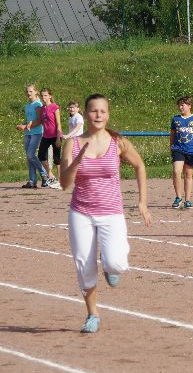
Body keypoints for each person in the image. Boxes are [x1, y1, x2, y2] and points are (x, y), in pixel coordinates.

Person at [60, 94, 153, 333]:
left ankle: (111, 266)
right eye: (94, 111)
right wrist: (76, 162)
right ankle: (92, 314)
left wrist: (142, 202)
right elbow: (64, 184)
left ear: (108, 115)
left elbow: (140, 165)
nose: (98, 115)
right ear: (86, 114)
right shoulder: (73, 143)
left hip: (111, 212)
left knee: (116, 263)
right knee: (84, 267)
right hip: (81, 212)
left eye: (102, 111)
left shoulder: (117, 142)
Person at [169, 95, 193, 209]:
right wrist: (171, 146)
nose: (180, 107)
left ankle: (188, 200)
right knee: (176, 171)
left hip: (191, 150)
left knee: (188, 174)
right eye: (179, 105)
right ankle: (178, 197)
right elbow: (172, 134)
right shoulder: (175, 119)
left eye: (183, 105)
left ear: (189, 106)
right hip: (178, 149)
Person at [15, 84, 51, 189]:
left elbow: (39, 121)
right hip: (28, 133)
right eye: (27, 91)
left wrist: (25, 126)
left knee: (31, 155)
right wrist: (22, 124)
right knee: (29, 157)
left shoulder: (38, 104)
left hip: (36, 132)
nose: (28, 93)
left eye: (31, 91)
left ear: (36, 92)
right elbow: (29, 119)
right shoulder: (27, 105)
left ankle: (44, 174)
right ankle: (32, 181)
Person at [37, 87, 63, 188]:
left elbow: (58, 123)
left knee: (57, 159)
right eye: (42, 96)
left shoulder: (54, 107)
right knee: (41, 155)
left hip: (55, 135)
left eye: (46, 95)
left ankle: (61, 181)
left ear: (50, 96)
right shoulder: (42, 108)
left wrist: (58, 138)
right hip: (46, 135)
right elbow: (40, 121)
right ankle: (51, 175)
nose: (44, 97)